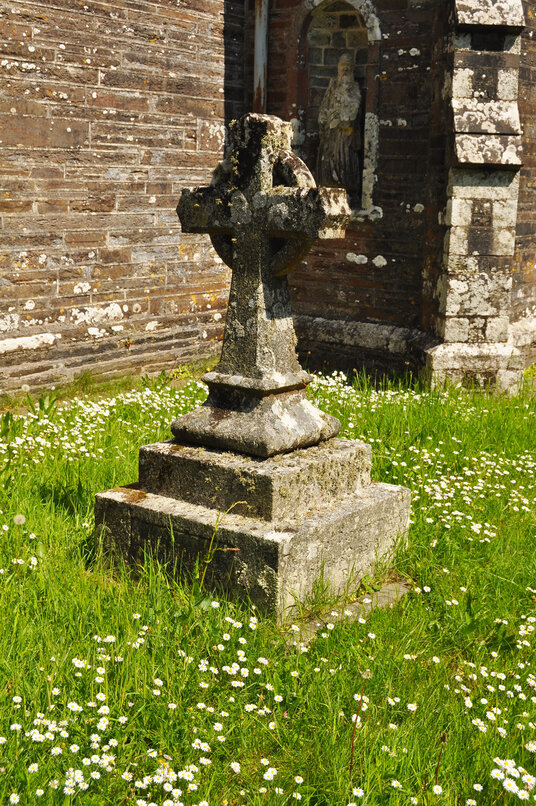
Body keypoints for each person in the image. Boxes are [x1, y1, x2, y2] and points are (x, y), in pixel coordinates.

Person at [316, 52, 362, 200]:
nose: (345, 70)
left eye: (348, 66)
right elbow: (325, 105)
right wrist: (324, 118)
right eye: (343, 66)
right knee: (328, 161)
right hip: (330, 133)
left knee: (344, 159)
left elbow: (354, 110)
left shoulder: (354, 88)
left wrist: (342, 120)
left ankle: (345, 190)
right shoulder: (332, 85)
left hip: (344, 134)